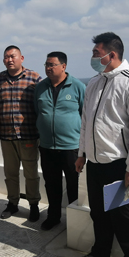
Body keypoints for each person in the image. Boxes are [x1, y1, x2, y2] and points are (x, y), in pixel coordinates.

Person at [73, 32, 129, 257]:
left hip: (120, 164)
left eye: (96, 53)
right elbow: (86, 123)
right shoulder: (94, 83)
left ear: (112, 54)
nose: (93, 58)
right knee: (98, 213)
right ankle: (101, 252)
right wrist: (82, 154)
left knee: (127, 218)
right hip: (95, 163)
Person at [34, 52, 85, 231]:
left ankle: (74, 221)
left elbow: (86, 115)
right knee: (51, 184)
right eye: (46, 64)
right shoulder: (40, 87)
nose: (48, 68)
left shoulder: (78, 86)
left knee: (74, 185)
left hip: (71, 147)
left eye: (52, 65)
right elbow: (37, 112)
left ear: (63, 66)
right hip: (47, 146)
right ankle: (53, 217)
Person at [0, 46, 42, 222]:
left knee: (31, 174)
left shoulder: (34, 77)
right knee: (10, 174)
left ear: (21, 58)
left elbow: (42, 104)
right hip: (7, 137)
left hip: (28, 135)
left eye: (13, 56)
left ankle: (34, 205)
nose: (9, 60)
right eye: (6, 57)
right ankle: (12, 203)